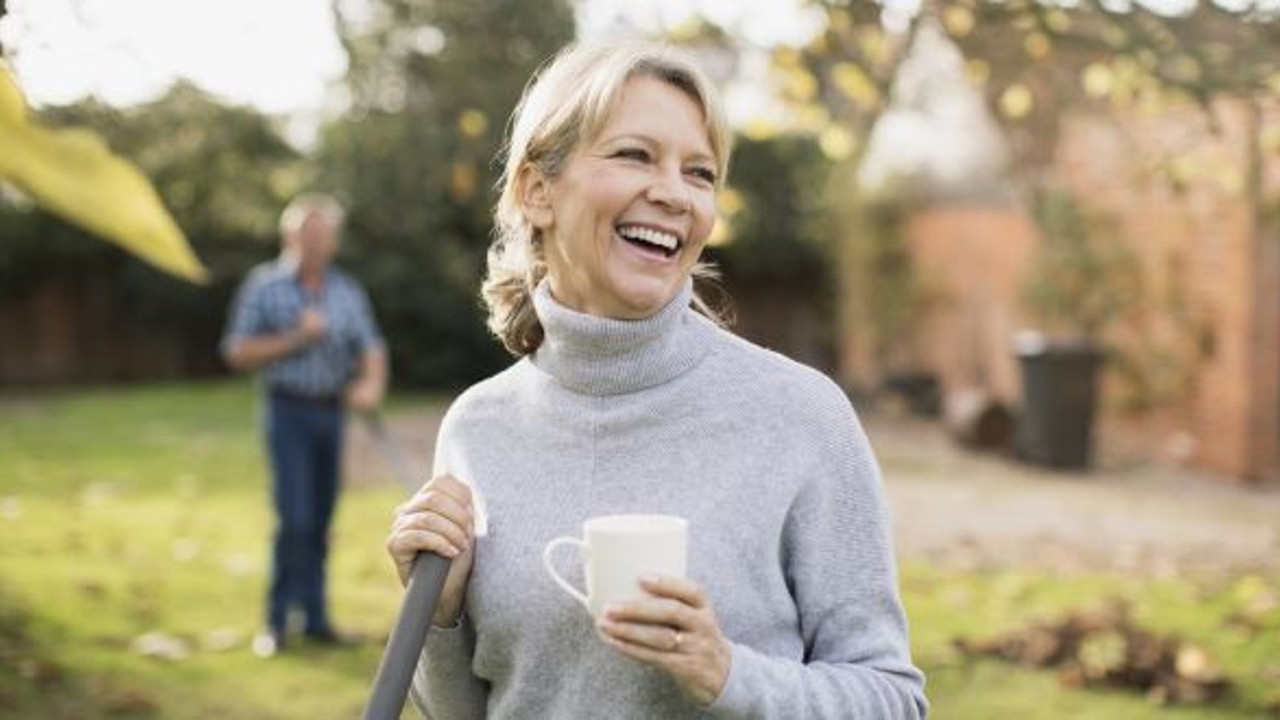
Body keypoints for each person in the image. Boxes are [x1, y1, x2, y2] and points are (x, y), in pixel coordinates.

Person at [386, 41, 928, 717]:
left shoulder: (798, 416)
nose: (674, 193)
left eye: (699, 173)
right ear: (537, 190)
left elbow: (890, 699)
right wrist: (438, 618)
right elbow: (471, 709)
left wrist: (728, 673)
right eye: (635, 155)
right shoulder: (478, 427)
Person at [222, 193, 387, 657]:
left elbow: (371, 345)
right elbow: (237, 351)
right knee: (292, 518)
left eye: (325, 234)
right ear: (288, 236)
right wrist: (297, 338)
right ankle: (275, 623)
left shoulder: (346, 291)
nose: (316, 242)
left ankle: (316, 620)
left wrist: (370, 384)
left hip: (330, 412)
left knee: (320, 519)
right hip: (286, 411)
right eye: (307, 233)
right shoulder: (264, 286)